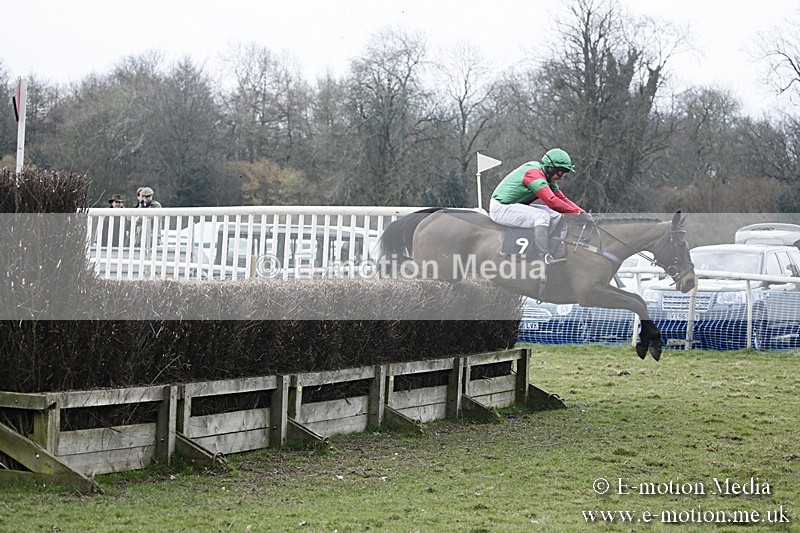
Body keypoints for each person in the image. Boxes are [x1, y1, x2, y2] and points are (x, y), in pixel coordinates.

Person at [489, 148, 591, 265]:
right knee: (541, 216)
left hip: (513, 205)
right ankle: (543, 256)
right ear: (550, 168)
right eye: (560, 172)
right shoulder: (534, 174)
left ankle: (551, 250)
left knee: (555, 215)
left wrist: (583, 213)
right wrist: (577, 214)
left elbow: (562, 199)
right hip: (500, 208)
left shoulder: (545, 176)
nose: (561, 177)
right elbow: (551, 200)